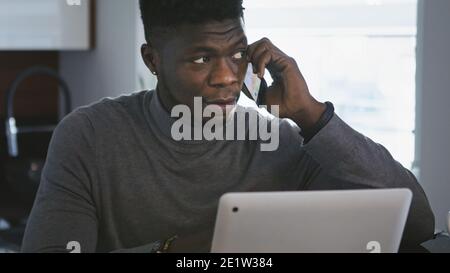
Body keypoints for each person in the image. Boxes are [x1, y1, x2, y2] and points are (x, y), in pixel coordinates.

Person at [21, 0, 434, 253]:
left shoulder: (279, 140)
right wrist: (187, 249)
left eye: (237, 54)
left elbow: (417, 224)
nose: (226, 78)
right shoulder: (88, 137)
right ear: (153, 60)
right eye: (201, 59)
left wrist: (311, 114)